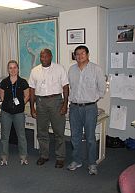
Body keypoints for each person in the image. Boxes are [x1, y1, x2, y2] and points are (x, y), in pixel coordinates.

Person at [67, 45, 106, 175]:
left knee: (90, 138)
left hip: (90, 108)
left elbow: (101, 89)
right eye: (77, 54)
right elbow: (72, 87)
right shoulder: (71, 70)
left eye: (82, 53)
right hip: (74, 107)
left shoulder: (96, 69)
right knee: (75, 136)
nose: (79, 56)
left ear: (88, 54)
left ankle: (92, 163)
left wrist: (92, 99)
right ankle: (76, 160)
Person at [29, 48, 69, 168]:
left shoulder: (59, 68)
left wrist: (65, 104)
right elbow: (32, 90)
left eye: (46, 56)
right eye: (42, 56)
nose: (44, 59)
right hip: (40, 102)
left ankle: (60, 157)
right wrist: (32, 107)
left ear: (51, 57)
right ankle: (44, 155)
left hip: (56, 101)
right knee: (42, 131)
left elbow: (66, 87)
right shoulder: (34, 71)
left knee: (58, 131)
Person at [0, 60, 30, 166]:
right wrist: (8, 105)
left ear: (18, 69)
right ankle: (3, 157)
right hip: (6, 112)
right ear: (8, 69)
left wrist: (21, 104)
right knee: (4, 136)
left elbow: (27, 95)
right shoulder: (4, 82)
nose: (13, 70)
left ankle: (23, 157)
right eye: (10, 68)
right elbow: (2, 96)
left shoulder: (23, 82)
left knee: (21, 135)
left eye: (15, 67)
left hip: (19, 113)